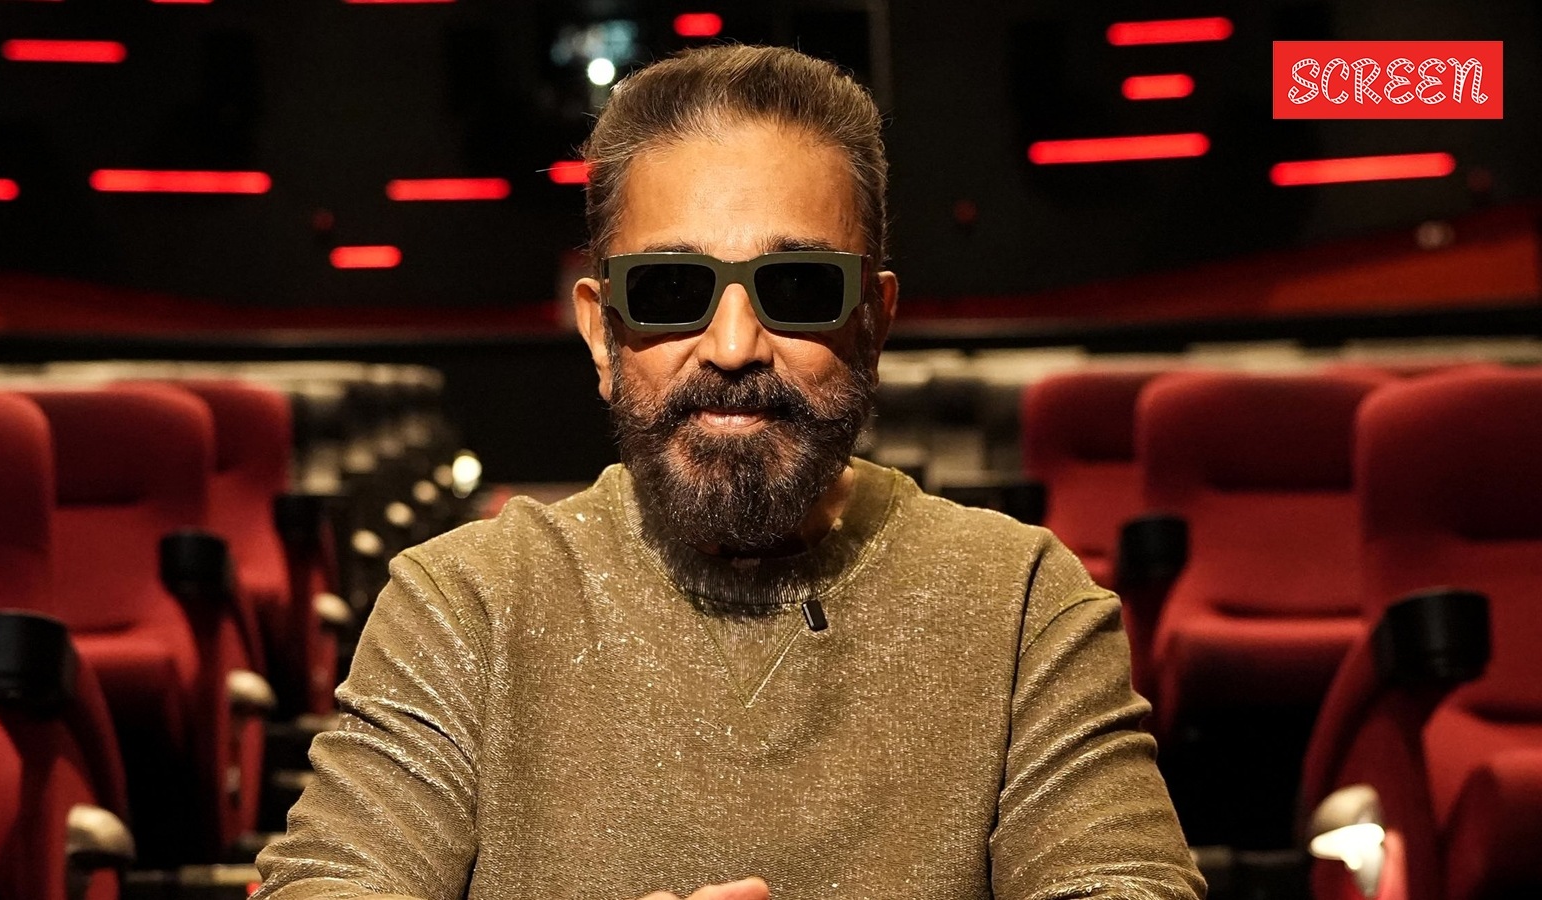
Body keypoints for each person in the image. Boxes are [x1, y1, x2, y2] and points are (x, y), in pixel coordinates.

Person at [254, 45, 1205, 900]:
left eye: (799, 287)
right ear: (601, 331)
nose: (734, 344)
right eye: (671, 289)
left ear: (872, 321)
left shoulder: (1022, 605)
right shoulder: (465, 604)